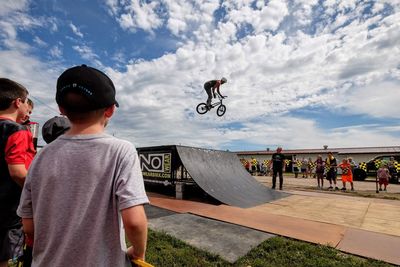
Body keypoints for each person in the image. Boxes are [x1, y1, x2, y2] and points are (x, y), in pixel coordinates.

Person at [17, 65, 149, 267]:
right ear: (110, 110)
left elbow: (28, 225)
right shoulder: (121, 151)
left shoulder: (40, 157)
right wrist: (138, 253)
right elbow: (134, 221)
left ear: (61, 109)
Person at [0, 78, 35, 267]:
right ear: (18, 102)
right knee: (4, 259)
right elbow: (18, 172)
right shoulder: (18, 130)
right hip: (8, 209)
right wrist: (36, 193)